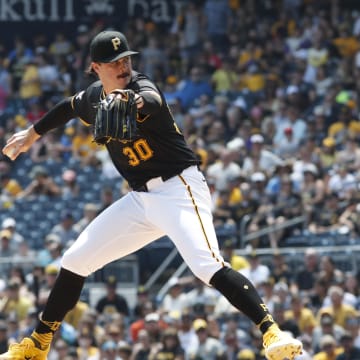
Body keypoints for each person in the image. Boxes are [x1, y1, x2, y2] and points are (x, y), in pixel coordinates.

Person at [0, 30, 302, 360]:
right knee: (74, 260)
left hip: (179, 189)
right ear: (95, 67)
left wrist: (130, 100)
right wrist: (32, 133)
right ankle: (39, 343)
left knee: (205, 265)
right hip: (142, 199)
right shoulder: (92, 98)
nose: (124, 66)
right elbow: (67, 107)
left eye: (127, 59)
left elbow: (153, 99)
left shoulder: (140, 86)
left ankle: (272, 332)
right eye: (115, 62)